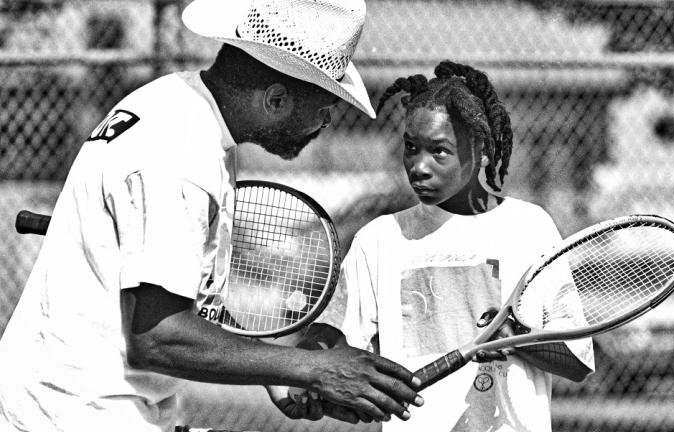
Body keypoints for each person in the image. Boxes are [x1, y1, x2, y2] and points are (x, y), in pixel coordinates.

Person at [0, 1, 424, 431]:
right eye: (324, 103)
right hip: (72, 412)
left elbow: (177, 302)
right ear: (276, 99)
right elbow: (158, 338)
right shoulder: (181, 157)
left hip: (96, 403)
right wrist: (310, 369)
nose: (329, 118)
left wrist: (277, 365)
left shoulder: (178, 104)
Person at [316, 61, 595, 432]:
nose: (418, 166)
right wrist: (305, 372)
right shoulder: (379, 239)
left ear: (480, 149)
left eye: (439, 151)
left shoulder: (530, 228)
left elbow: (576, 362)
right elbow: (329, 342)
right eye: (411, 148)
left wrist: (517, 340)